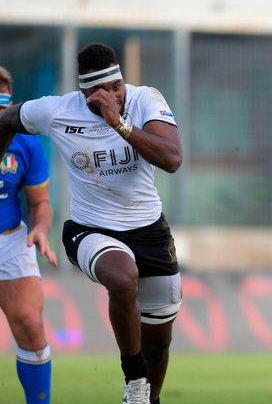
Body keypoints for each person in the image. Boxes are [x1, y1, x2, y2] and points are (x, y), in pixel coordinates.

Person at [0, 43, 182, 404]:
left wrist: (121, 124)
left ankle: (145, 397)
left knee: (159, 341)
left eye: (117, 86)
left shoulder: (145, 100)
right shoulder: (56, 110)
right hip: (91, 230)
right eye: (101, 91)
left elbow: (172, 158)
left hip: (149, 231)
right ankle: (134, 376)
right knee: (122, 276)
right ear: (83, 92)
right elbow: (6, 119)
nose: (112, 95)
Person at [0, 66, 56, 403]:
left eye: (3, 106)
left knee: (30, 323)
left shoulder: (26, 143)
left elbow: (40, 202)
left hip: (10, 239)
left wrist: (40, 228)